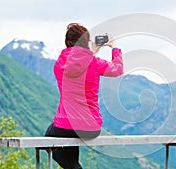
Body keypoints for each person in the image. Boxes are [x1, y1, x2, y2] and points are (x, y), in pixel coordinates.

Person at [45, 23, 123, 169]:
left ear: (67, 42)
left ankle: (75, 167)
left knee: (51, 139)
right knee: (69, 141)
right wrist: (114, 47)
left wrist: (88, 50)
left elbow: (76, 63)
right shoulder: (95, 63)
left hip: (65, 124)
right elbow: (117, 69)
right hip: (90, 127)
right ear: (86, 42)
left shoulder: (59, 65)